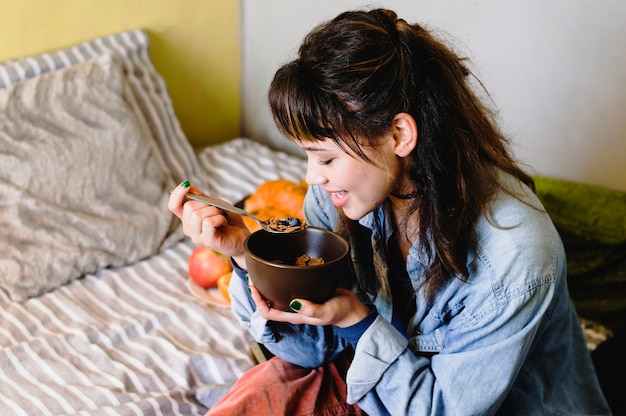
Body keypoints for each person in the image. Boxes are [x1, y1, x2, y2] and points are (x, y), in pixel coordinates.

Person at [169, 8, 610, 415]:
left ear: (399, 134)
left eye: (324, 158)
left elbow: (440, 409)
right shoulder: (340, 196)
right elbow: (312, 348)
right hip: (381, 379)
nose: (312, 178)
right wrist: (247, 254)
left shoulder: (514, 256)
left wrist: (358, 324)